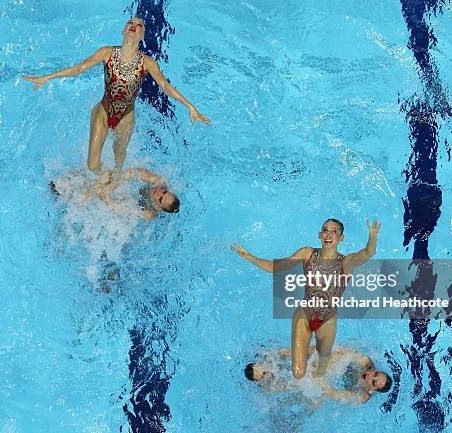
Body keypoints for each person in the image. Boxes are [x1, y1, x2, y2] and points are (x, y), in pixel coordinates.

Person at [23, 17, 211, 186]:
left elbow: (166, 87)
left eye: (139, 25)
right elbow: (79, 68)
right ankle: (104, 177)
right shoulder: (107, 53)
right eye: (130, 23)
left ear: (142, 36)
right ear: (123, 31)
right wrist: (48, 77)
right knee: (92, 165)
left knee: (119, 157)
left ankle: (116, 180)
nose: (133, 25)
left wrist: (190, 106)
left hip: (126, 118)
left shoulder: (147, 62)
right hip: (103, 112)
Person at [232, 218, 381, 379]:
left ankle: (311, 362)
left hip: (328, 321)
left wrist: (372, 236)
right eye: (325, 230)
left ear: (341, 238)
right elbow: (275, 267)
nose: (329, 234)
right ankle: (270, 373)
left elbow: (368, 253)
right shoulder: (307, 253)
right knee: (298, 373)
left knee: (320, 372)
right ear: (319, 234)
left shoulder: (347, 262)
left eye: (334, 231)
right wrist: (250, 257)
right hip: (304, 314)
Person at [245, 346, 392, 405]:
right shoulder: (364, 361)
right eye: (376, 373)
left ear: (373, 389)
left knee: (314, 396)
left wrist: (319, 378)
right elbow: (338, 350)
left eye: (373, 382)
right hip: (329, 368)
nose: (370, 376)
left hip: (325, 390)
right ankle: (269, 360)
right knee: (313, 349)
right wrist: (322, 364)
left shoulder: (361, 396)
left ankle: (266, 381)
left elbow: (332, 393)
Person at [50, 166, 178, 220]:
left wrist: (105, 198)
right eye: (164, 192)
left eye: (160, 199)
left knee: (93, 201)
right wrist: (113, 184)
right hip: (130, 192)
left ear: (160, 208)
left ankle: (63, 194)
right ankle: (65, 184)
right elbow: (134, 172)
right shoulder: (159, 181)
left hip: (132, 205)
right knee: (105, 174)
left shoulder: (150, 214)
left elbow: (123, 211)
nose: (158, 193)